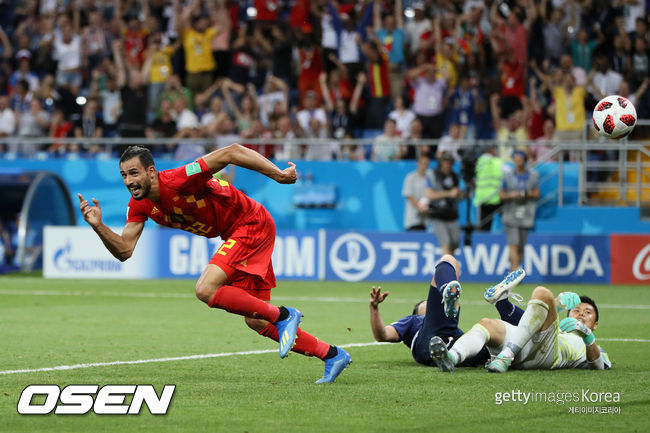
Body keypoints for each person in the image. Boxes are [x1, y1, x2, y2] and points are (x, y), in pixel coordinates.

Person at [78, 145, 351, 383]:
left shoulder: (180, 178)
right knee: (256, 320)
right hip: (236, 233)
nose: (129, 181)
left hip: (250, 223)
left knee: (205, 288)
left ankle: (284, 315)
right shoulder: (140, 204)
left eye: (134, 173)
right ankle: (332, 355)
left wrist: (278, 175)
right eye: (124, 175)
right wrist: (98, 226)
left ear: (151, 172)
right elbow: (125, 250)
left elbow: (232, 151)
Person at [429, 270, 611, 373]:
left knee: (542, 292)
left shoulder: (590, 345)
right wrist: (557, 304)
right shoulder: (559, 330)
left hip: (549, 354)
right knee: (487, 324)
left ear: (595, 324)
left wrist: (586, 334)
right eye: (576, 310)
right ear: (567, 316)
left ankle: (503, 308)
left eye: (588, 312)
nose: (581, 314)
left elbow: (599, 366)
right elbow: (541, 316)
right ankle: (451, 357)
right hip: (523, 345)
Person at [369, 255, 490, 367]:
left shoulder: (451, 325)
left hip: (455, 346)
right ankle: (445, 290)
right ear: (416, 315)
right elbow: (382, 335)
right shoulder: (412, 322)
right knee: (449, 260)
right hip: (429, 344)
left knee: (490, 338)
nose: (431, 306)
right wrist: (374, 308)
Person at [500, 150, 539, 271]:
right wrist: (512, 195)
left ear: (524, 160)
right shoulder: (508, 176)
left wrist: (525, 194)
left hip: (526, 214)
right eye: (515, 159)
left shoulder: (533, 175)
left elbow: (537, 193)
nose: (517, 162)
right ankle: (514, 272)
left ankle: (514, 270)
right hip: (511, 214)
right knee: (514, 244)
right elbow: (501, 194)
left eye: (520, 159)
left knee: (521, 246)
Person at [424, 152, 461, 256]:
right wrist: (448, 193)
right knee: (445, 243)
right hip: (438, 215)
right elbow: (429, 195)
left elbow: (457, 195)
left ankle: (450, 265)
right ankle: (445, 266)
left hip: (452, 215)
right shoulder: (433, 175)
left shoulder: (454, 176)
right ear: (441, 163)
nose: (447, 165)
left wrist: (460, 194)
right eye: (445, 162)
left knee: (454, 244)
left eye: (449, 163)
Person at [402, 154, 431, 231]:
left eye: (426, 164)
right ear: (418, 163)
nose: (424, 166)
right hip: (412, 219)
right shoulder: (410, 178)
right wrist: (421, 207)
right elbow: (409, 196)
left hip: (425, 220)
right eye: (423, 163)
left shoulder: (429, 179)